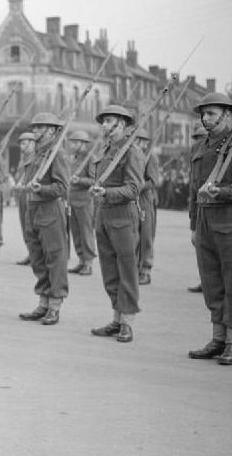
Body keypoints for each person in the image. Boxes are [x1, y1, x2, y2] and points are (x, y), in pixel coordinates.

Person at [188, 92, 232, 366]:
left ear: (228, 114)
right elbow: (192, 190)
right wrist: (192, 225)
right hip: (204, 220)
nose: (205, 119)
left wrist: (219, 193)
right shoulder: (200, 147)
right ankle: (218, 337)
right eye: (204, 114)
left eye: (211, 114)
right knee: (211, 282)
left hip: (229, 219)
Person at [89, 105, 144, 343]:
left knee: (127, 271)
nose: (104, 125)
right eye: (103, 121)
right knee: (110, 271)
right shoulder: (106, 150)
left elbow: (133, 188)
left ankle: (128, 322)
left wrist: (107, 193)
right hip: (104, 216)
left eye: (108, 120)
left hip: (123, 216)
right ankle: (116, 317)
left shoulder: (132, 152)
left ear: (121, 124)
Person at [17, 113, 70, 325]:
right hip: (33, 208)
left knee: (54, 258)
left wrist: (43, 188)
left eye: (40, 127)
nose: (35, 131)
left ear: (51, 131)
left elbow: (63, 187)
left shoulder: (57, 154)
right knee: (37, 257)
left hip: (50, 209)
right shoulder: (36, 154)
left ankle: (55, 305)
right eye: (35, 127)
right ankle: (43, 302)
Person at [67, 130, 97, 275]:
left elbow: (94, 180)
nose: (72, 145)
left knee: (86, 233)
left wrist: (79, 180)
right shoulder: (73, 159)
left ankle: (88, 263)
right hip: (72, 201)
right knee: (76, 232)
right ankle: (81, 260)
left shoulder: (90, 159)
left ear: (83, 144)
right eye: (72, 142)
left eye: (75, 142)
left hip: (84, 201)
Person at [135, 129, 161, 286]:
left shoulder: (150, 156)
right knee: (133, 237)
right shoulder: (131, 156)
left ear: (146, 143)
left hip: (144, 199)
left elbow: (153, 181)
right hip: (131, 199)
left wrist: (137, 186)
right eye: (136, 140)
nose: (138, 143)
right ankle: (135, 268)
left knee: (146, 236)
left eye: (142, 141)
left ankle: (145, 269)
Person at [186, 124, 208, 293]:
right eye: (195, 139)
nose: (197, 143)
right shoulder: (194, 153)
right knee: (201, 249)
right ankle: (205, 281)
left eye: (200, 138)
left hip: (215, 208)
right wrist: (192, 222)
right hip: (199, 208)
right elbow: (193, 188)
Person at [14, 132, 37, 265]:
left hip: (30, 194)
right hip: (22, 195)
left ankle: (36, 255)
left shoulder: (35, 158)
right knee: (24, 225)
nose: (22, 146)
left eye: (24, 143)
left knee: (31, 225)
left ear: (33, 144)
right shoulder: (23, 158)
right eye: (21, 144)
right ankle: (30, 252)